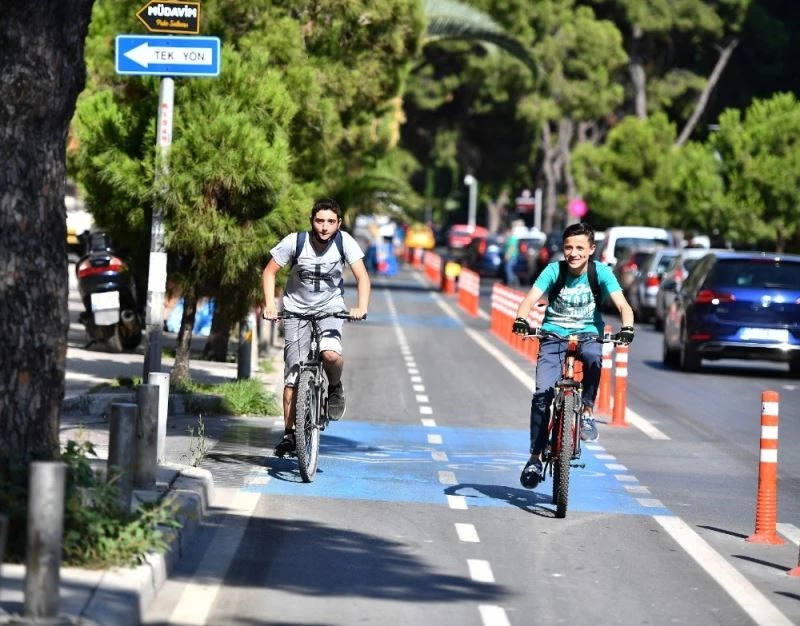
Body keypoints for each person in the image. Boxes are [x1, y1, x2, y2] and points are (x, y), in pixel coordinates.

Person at [511, 222, 634, 489]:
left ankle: (587, 410)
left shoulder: (600, 273)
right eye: (568, 247)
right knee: (543, 394)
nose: (573, 253)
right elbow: (529, 299)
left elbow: (623, 305)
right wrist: (521, 319)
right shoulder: (554, 270)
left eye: (580, 247)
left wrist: (627, 328)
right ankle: (534, 456)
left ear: (591, 250)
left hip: (589, 334)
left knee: (593, 358)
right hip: (553, 335)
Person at [262, 198, 371, 457]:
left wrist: (361, 306)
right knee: (292, 377)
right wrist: (269, 304)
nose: (324, 227)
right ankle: (289, 434)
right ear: (312, 221)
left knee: (330, 354)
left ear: (339, 224)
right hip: (295, 312)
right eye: (320, 221)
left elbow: (362, 277)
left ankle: (334, 387)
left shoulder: (345, 242)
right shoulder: (295, 242)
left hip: (330, 309)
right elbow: (269, 272)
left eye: (330, 222)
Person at [502, 222, 521, 286]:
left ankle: (510, 282)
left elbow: (511, 248)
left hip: (511, 256)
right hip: (511, 256)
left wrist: (507, 255)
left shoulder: (513, 239)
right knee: (509, 269)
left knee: (508, 269)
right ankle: (513, 281)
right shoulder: (509, 239)